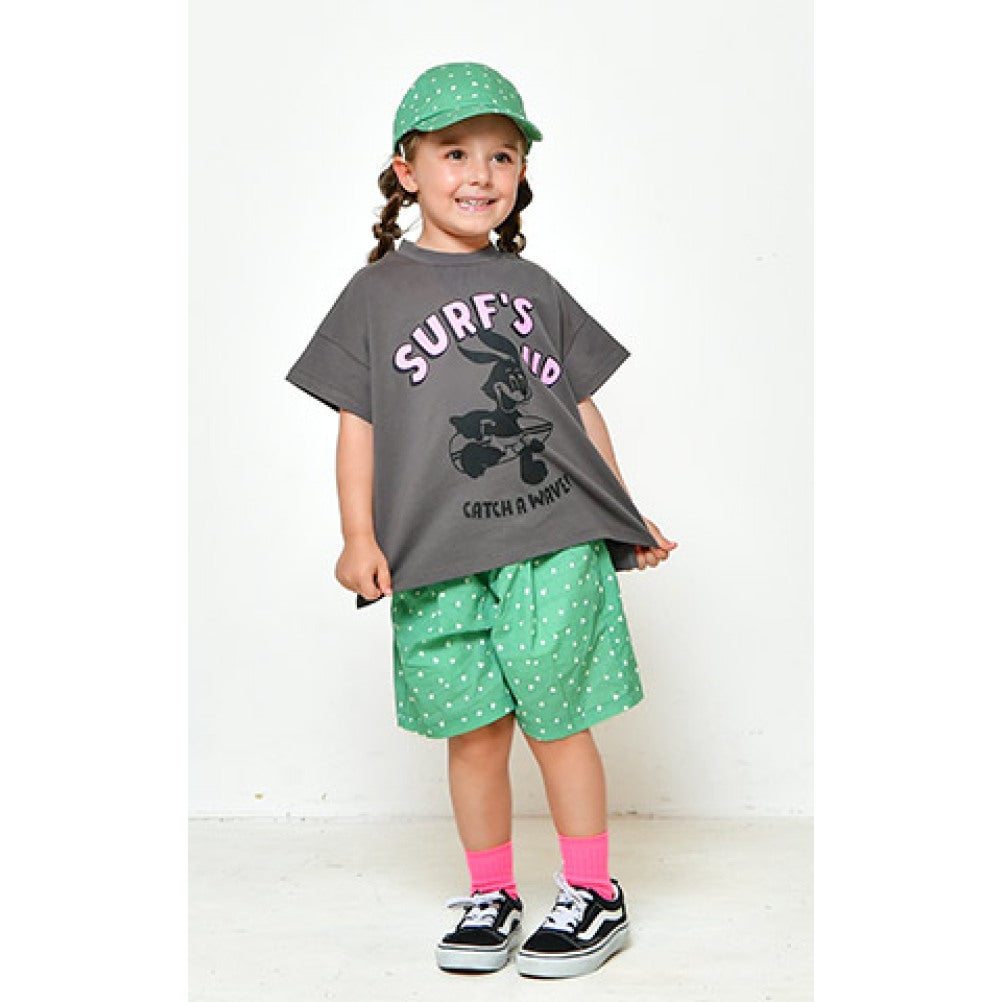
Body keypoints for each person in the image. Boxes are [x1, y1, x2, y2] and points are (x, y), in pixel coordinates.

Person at [286, 61, 677, 979]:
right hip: (438, 550)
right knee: (474, 733)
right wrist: (356, 535)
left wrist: (624, 513)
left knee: (558, 720)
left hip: (553, 541)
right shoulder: (373, 296)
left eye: (502, 155)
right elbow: (357, 423)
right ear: (407, 170)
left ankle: (593, 891)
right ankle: (491, 892)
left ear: (522, 173)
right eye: (455, 152)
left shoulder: (533, 285)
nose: (480, 174)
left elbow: (579, 409)